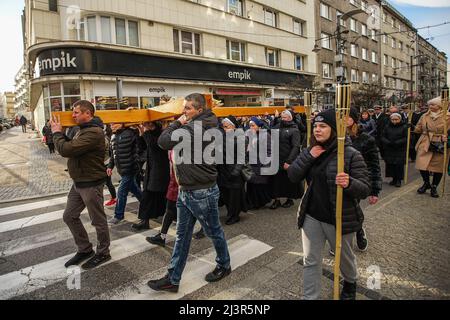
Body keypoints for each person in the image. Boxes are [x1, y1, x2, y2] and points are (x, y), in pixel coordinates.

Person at [148, 93, 231, 293]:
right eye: (183, 108)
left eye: (187, 109)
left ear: (199, 110)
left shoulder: (196, 127)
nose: (183, 112)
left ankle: (224, 264)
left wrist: (177, 122)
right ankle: (173, 278)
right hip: (188, 189)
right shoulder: (202, 123)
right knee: (182, 236)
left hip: (201, 190)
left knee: (214, 232)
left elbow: (163, 141)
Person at [287, 109, 371, 300]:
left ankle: (350, 283)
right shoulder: (311, 150)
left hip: (339, 217)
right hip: (311, 216)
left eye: (323, 126)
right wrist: (309, 156)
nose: (317, 130)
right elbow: (293, 175)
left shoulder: (350, 154)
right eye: (315, 126)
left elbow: (365, 188)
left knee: (344, 259)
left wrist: (349, 182)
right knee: (310, 260)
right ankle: (310, 297)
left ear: (334, 129)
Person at [50, 100, 111, 269]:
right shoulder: (82, 130)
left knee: (98, 221)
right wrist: (60, 134)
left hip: (91, 183)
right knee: (69, 216)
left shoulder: (94, 132)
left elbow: (67, 150)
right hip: (79, 182)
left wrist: (57, 133)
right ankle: (85, 249)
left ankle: (103, 252)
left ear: (88, 114)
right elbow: (71, 146)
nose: (73, 115)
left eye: (76, 112)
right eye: (73, 112)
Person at [347, 107, 382, 252]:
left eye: (346, 116)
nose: (342, 119)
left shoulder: (366, 139)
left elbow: (374, 166)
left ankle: (359, 230)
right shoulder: (333, 136)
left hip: (357, 181)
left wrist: (375, 190)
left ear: (354, 120)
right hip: (337, 180)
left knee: (351, 209)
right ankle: (338, 240)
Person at [132, 122, 170, 231]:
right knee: (148, 195)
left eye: (146, 123)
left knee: (160, 195)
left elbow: (154, 144)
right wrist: (140, 132)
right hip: (152, 169)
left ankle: (169, 216)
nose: (144, 125)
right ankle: (145, 220)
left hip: (160, 170)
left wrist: (145, 131)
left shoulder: (162, 133)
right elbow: (142, 146)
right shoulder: (149, 133)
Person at [107, 123, 143, 225]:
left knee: (121, 192)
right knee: (135, 190)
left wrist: (137, 162)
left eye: (114, 123)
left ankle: (118, 215)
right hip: (122, 170)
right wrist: (110, 166)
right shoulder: (113, 136)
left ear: (122, 123)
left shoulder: (131, 133)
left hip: (130, 169)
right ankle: (147, 205)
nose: (111, 125)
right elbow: (113, 154)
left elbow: (140, 148)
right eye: (110, 124)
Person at [414, 96, 450, 198]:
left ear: (439, 106)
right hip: (426, 141)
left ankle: (434, 187)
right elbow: (418, 128)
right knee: (421, 164)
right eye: (429, 104)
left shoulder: (447, 116)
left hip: (441, 143)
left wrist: (447, 136)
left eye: (433, 104)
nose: (430, 106)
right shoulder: (424, 115)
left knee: (438, 167)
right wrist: (411, 127)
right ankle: (426, 183)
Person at [269, 110, 303, 209]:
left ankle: (290, 199)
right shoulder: (278, 126)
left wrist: (289, 161)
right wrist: (274, 119)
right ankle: (277, 200)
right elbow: (269, 130)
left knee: (288, 181)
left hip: (287, 159)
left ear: (290, 118)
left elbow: (295, 146)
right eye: (281, 117)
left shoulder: (294, 130)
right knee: (276, 181)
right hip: (276, 158)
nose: (282, 119)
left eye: (284, 117)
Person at [218, 116, 247, 225]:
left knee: (234, 197)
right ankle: (231, 213)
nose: (225, 129)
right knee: (226, 195)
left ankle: (234, 215)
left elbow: (242, 157)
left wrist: (236, 171)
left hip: (234, 172)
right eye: (223, 127)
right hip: (224, 171)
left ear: (234, 127)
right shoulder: (222, 138)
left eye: (227, 126)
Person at [146, 149, 179, 246]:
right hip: (175, 182)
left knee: (172, 210)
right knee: (170, 210)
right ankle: (162, 236)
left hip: (179, 183)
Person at [245, 117, 273, 210]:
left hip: (261, 162)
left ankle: (259, 202)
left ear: (258, 126)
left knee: (259, 184)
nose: (251, 127)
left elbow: (269, 151)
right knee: (252, 184)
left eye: (253, 125)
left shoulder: (265, 135)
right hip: (252, 163)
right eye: (250, 126)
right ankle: (252, 202)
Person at [381, 113, 408, 187]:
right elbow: (383, 136)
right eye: (393, 119)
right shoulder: (387, 126)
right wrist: (387, 142)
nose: (394, 121)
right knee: (391, 164)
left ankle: (399, 180)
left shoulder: (404, 127)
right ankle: (394, 179)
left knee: (398, 165)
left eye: (396, 119)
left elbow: (406, 138)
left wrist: (397, 142)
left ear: (399, 119)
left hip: (399, 148)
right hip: (389, 148)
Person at [103, 125, 117, 207]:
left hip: (105, 163)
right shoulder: (105, 137)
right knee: (107, 182)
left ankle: (114, 198)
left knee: (107, 182)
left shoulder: (104, 139)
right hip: (106, 163)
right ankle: (114, 198)